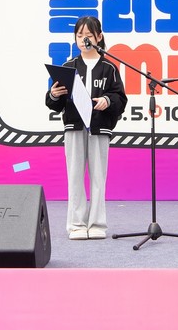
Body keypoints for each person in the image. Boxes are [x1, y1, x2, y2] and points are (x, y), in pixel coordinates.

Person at [46, 16, 127, 240]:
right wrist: (54, 95)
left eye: (89, 36)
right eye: (79, 36)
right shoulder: (68, 67)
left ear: (99, 37)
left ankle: (97, 223)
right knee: (74, 176)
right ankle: (76, 224)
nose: (84, 40)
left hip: (99, 128)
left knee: (98, 176)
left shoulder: (109, 68)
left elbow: (120, 98)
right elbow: (54, 103)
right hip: (74, 127)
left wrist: (107, 101)